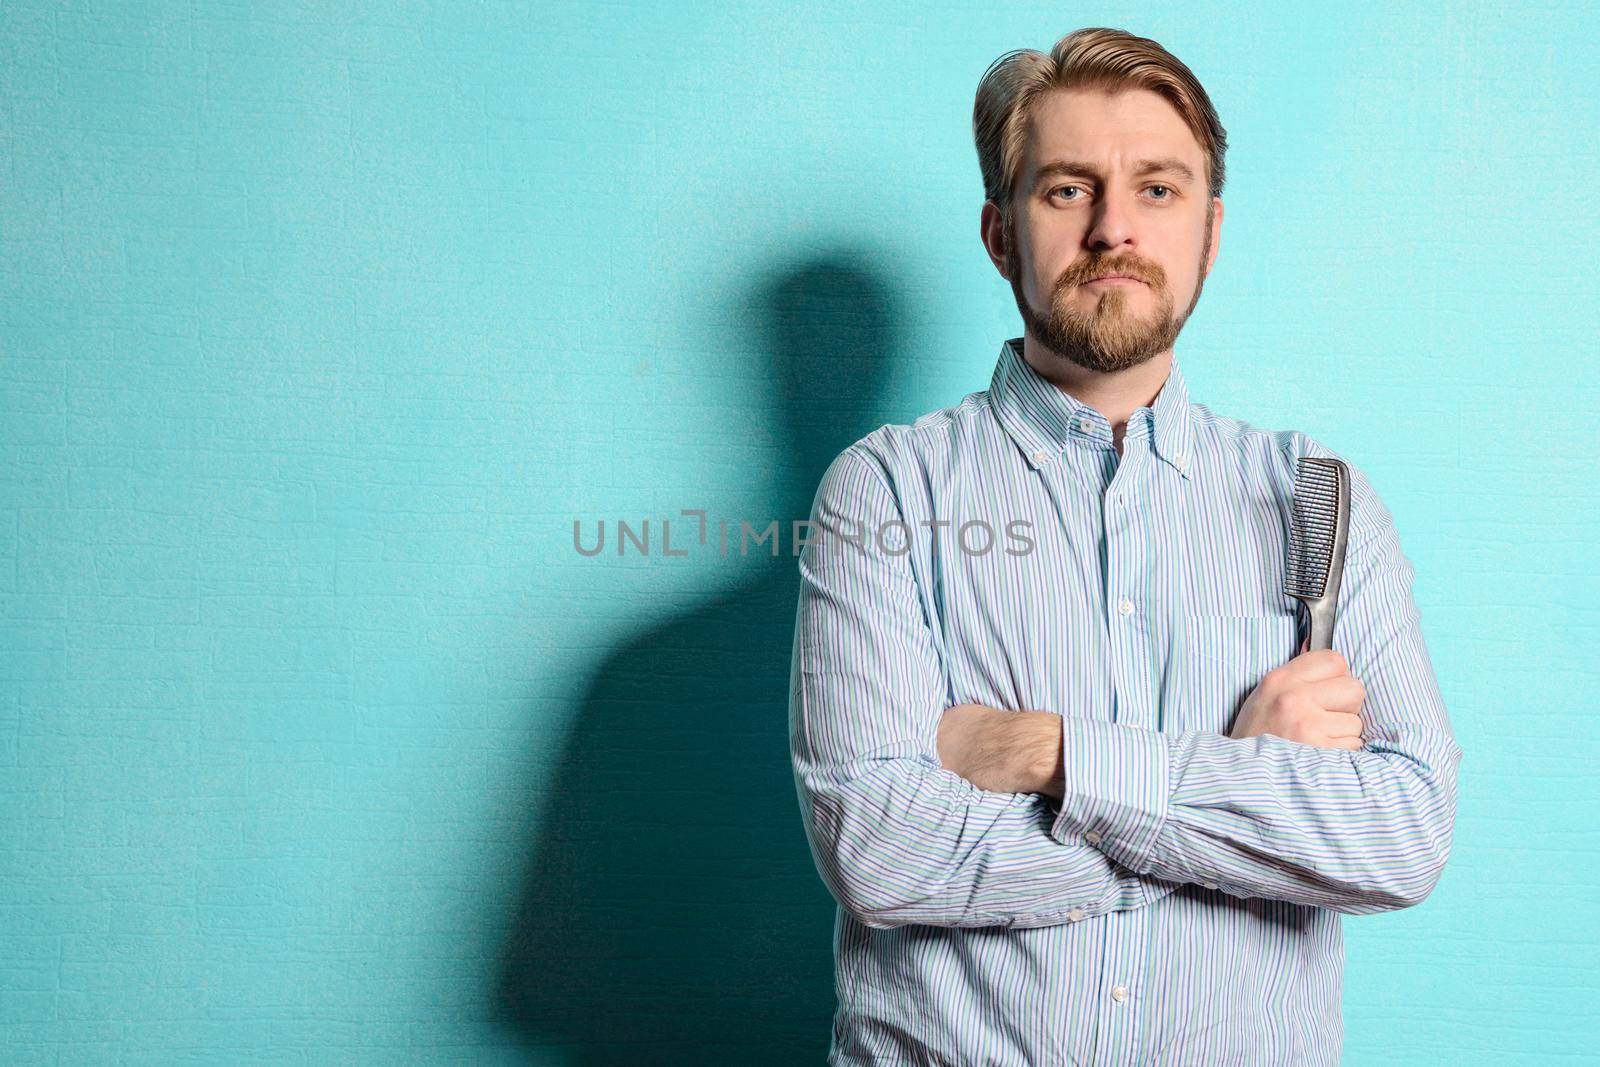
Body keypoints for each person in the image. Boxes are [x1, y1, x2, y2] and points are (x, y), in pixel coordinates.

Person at [787, 26, 1462, 1066]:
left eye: (1157, 189)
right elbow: (881, 850)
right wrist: (1246, 795)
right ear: (1000, 233)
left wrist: (1055, 754)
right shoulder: (882, 494)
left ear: (1209, 231)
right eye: (1066, 190)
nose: (1114, 229)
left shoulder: (1318, 500)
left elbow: (1401, 834)